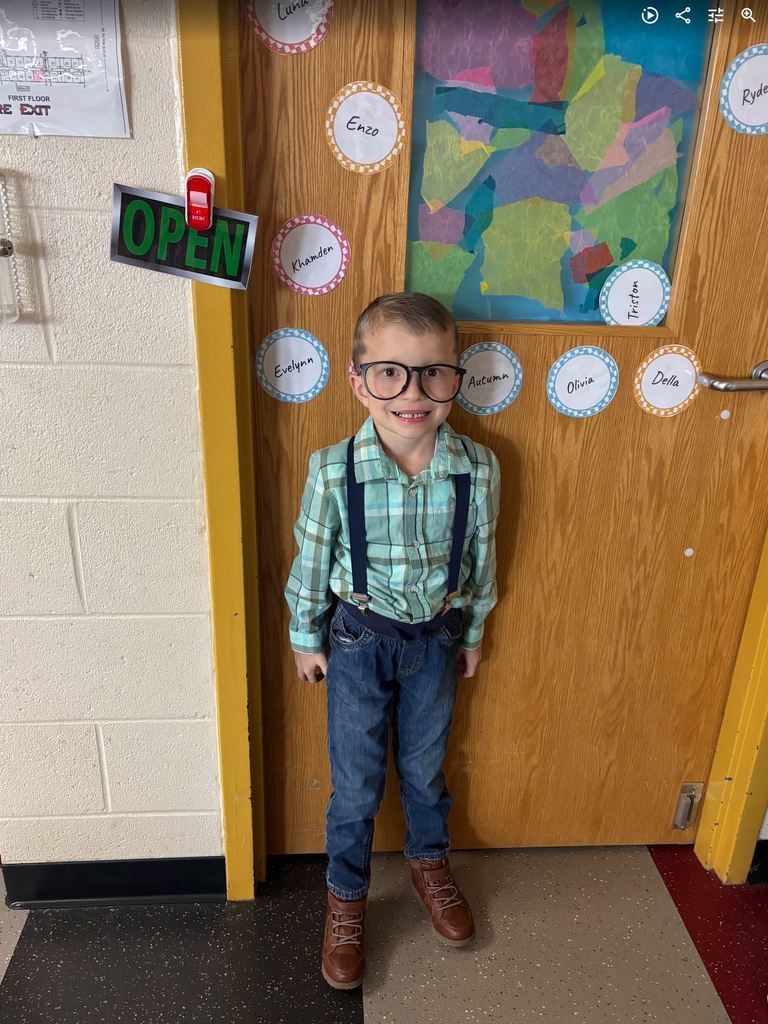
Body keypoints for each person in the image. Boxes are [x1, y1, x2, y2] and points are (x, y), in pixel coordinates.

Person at [284, 292, 501, 990]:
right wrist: (304, 638)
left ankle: (428, 862)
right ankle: (345, 899)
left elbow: (482, 561)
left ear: (455, 378)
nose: (413, 393)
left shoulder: (477, 468)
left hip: (436, 641)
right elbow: (311, 563)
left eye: (434, 373)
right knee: (354, 786)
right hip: (355, 640)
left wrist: (472, 632)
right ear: (357, 380)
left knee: (424, 768)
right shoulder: (330, 470)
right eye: (389, 373)